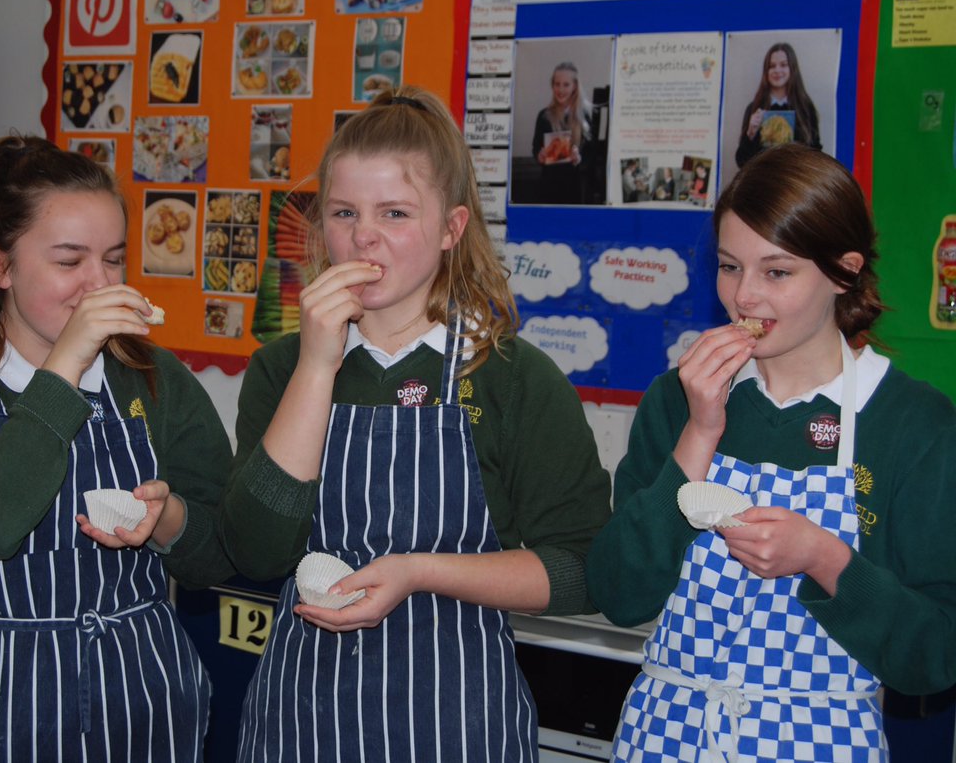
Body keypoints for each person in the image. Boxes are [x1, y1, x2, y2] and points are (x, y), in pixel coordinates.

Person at [224, 86, 612, 761]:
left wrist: (420, 571)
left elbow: (581, 571)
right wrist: (316, 366)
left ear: (451, 229)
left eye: (395, 213)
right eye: (344, 212)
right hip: (303, 720)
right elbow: (254, 553)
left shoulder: (512, 378)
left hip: (456, 721)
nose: (362, 236)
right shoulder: (280, 369)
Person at [587, 143, 956, 762]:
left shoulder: (912, 423)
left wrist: (823, 558)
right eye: (730, 267)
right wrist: (700, 432)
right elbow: (619, 595)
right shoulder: (677, 399)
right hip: (668, 734)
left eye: (776, 272)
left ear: (843, 272)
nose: (745, 297)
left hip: (819, 740)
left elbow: (935, 656)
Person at [0, 135, 234, 762]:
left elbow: (219, 555)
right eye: (70, 261)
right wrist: (67, 363)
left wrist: (169, 519)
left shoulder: (154, 381)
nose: (98, 285)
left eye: (113, 260)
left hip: (140, 694)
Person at [735, 42, 821, 167]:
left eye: (783, 65)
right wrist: (750, 133)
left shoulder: (806, 108)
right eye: (772, 66)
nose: (777, 70)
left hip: (794, 177)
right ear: (766, 71)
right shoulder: (754, 108)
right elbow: (741, 162)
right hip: (764, 177)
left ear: (792, 68)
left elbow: (816, 154)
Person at [531, 61, 590, 204]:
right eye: (557, 84)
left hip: (574, 190)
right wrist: (540, 155)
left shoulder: (585, 116)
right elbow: (535, 147)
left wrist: (579, 158)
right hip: (548, 188)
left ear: (574, 86)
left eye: (566, 84)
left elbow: (591, 155)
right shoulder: (544, 116)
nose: (560, 89)